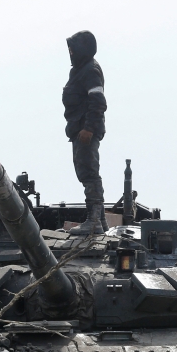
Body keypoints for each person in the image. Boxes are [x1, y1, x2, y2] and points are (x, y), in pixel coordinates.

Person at [62, 30, 107, 235]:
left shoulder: (90, 70)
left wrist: (89, 128)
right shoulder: (80, 70)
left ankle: (94, 221)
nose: (70, 52)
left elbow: (97, 101)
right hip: (79, 129)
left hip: (85, 130)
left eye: (72, 48)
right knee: (85, 172)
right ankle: (100, 220)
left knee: (89, 173)